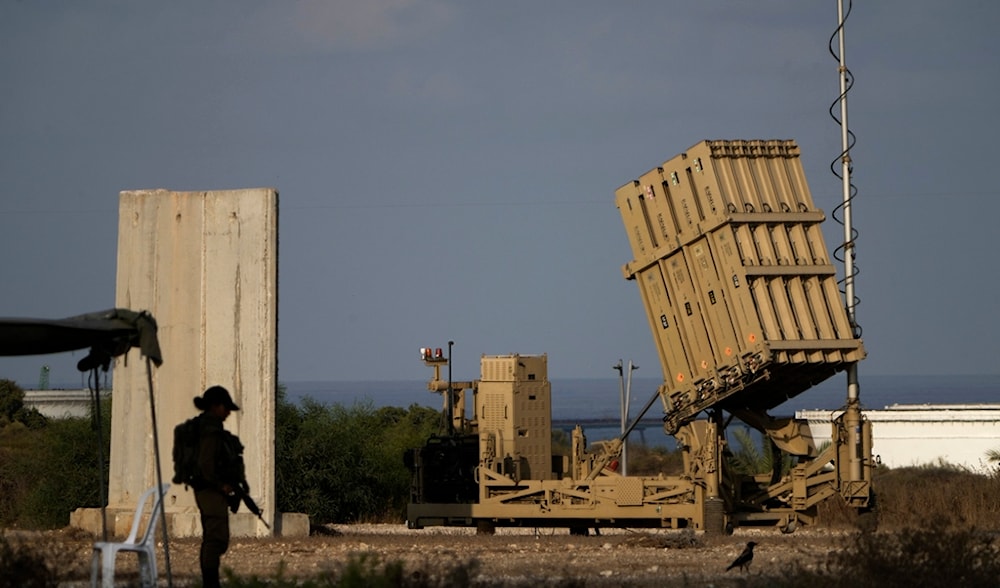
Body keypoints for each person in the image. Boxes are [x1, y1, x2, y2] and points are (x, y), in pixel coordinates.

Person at [192, 385, 245, 588]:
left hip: (209, 489)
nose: (228, 412)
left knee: (216, 538)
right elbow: (206, 464)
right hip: (210, 490)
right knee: (215, 540)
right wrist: (220, 485)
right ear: (215, 407)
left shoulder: (209, 427)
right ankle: (210, 583)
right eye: (225, 407)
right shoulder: (209, 430)